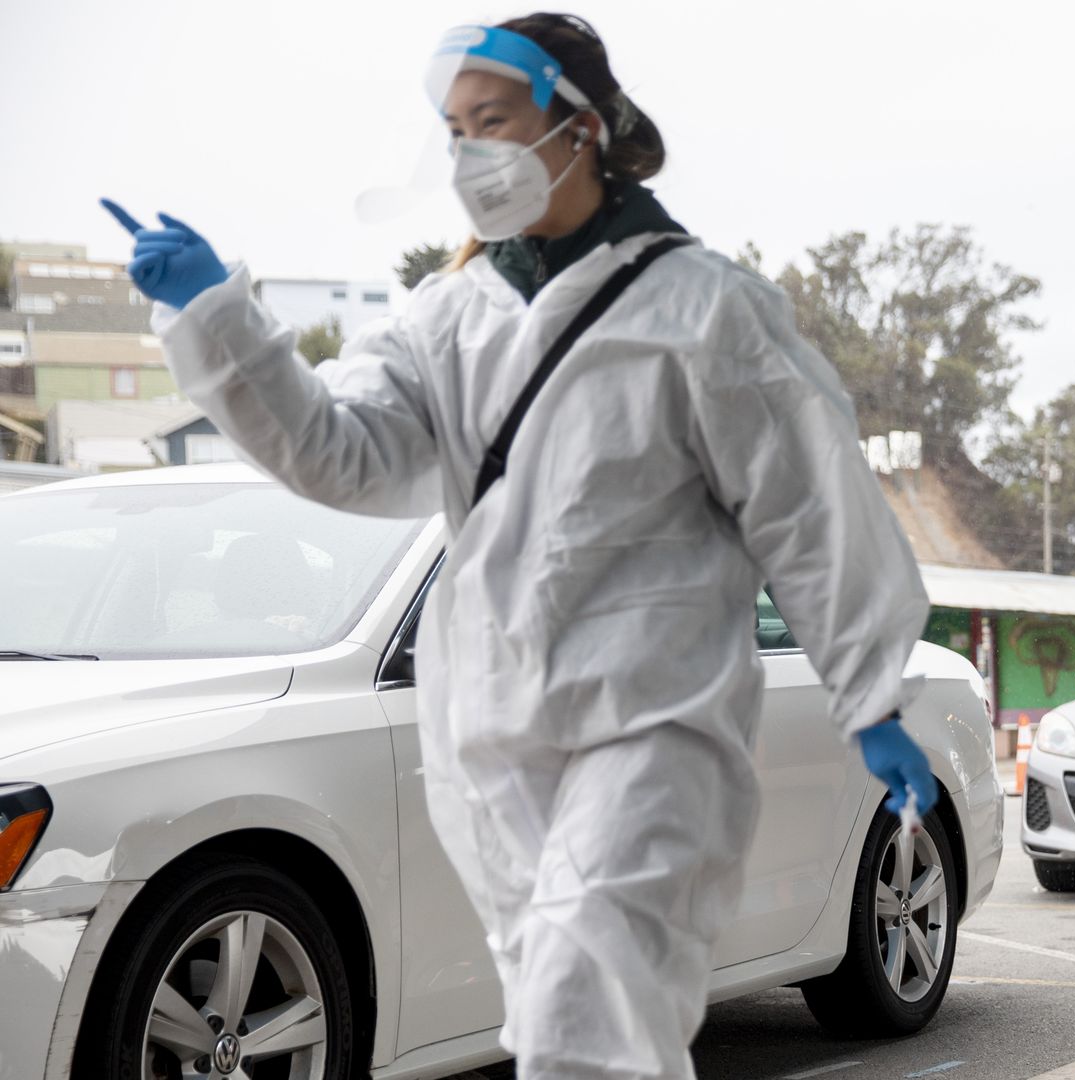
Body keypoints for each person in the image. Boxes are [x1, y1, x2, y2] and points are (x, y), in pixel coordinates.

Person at [102, 14, 940, 1079]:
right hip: (488, 736)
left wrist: (871, 698)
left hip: (654, 731)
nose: (469, 153)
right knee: (586, 1020)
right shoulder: (448, 318)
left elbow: (815, 510)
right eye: (454, 130)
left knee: (584, 1016)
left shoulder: (704, 309)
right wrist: (214, 319)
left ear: (578, 126)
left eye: (492, 121)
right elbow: (340, 455)